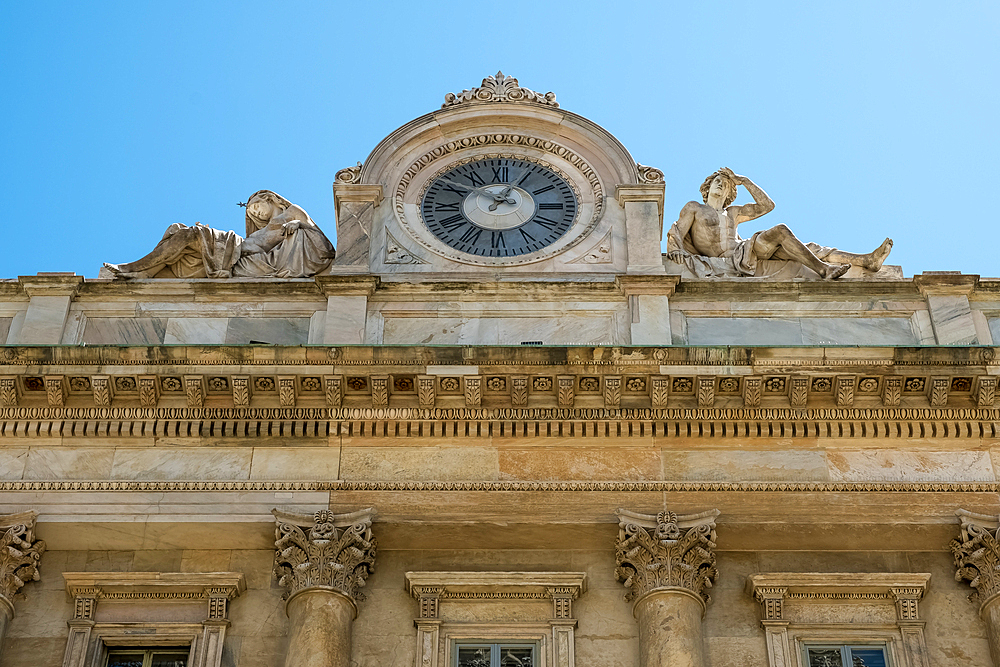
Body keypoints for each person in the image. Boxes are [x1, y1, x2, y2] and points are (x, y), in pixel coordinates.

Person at [666, 168, 892, 279]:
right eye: (716, 182)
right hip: (729, 259)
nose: (720, 186)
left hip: (745, 250)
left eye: (725, 184)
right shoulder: (695, 207)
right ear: (707, 187)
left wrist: (746, 181)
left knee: (802, 243)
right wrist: (675, 251)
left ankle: (867, 260)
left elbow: (767, 205)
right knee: (793, 244)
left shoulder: (733, 212)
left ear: (730, 192)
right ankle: (825, 270)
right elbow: (678, 233)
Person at [103, 190, 335, 279]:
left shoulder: (292, 212)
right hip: (237, 249)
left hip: (240, 254)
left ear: (269, 198)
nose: (255, 212)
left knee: (190, 235)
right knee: (178, 229)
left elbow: (322, 244)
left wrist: (297, 225)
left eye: (255, 206)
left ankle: (132, 269)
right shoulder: (262, 230)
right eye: (252, 212)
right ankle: (145, 272)